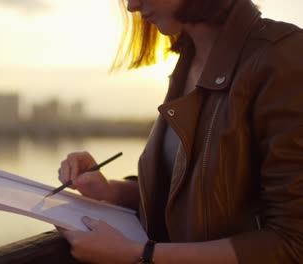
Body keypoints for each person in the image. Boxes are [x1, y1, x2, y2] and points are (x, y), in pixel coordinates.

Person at [56, 0, 303, 263]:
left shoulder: (284, 56)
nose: (132, 6)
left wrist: (140, 254)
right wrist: (111, 192)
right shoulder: (188, 60)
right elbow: (194, 192)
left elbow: (293, 242)